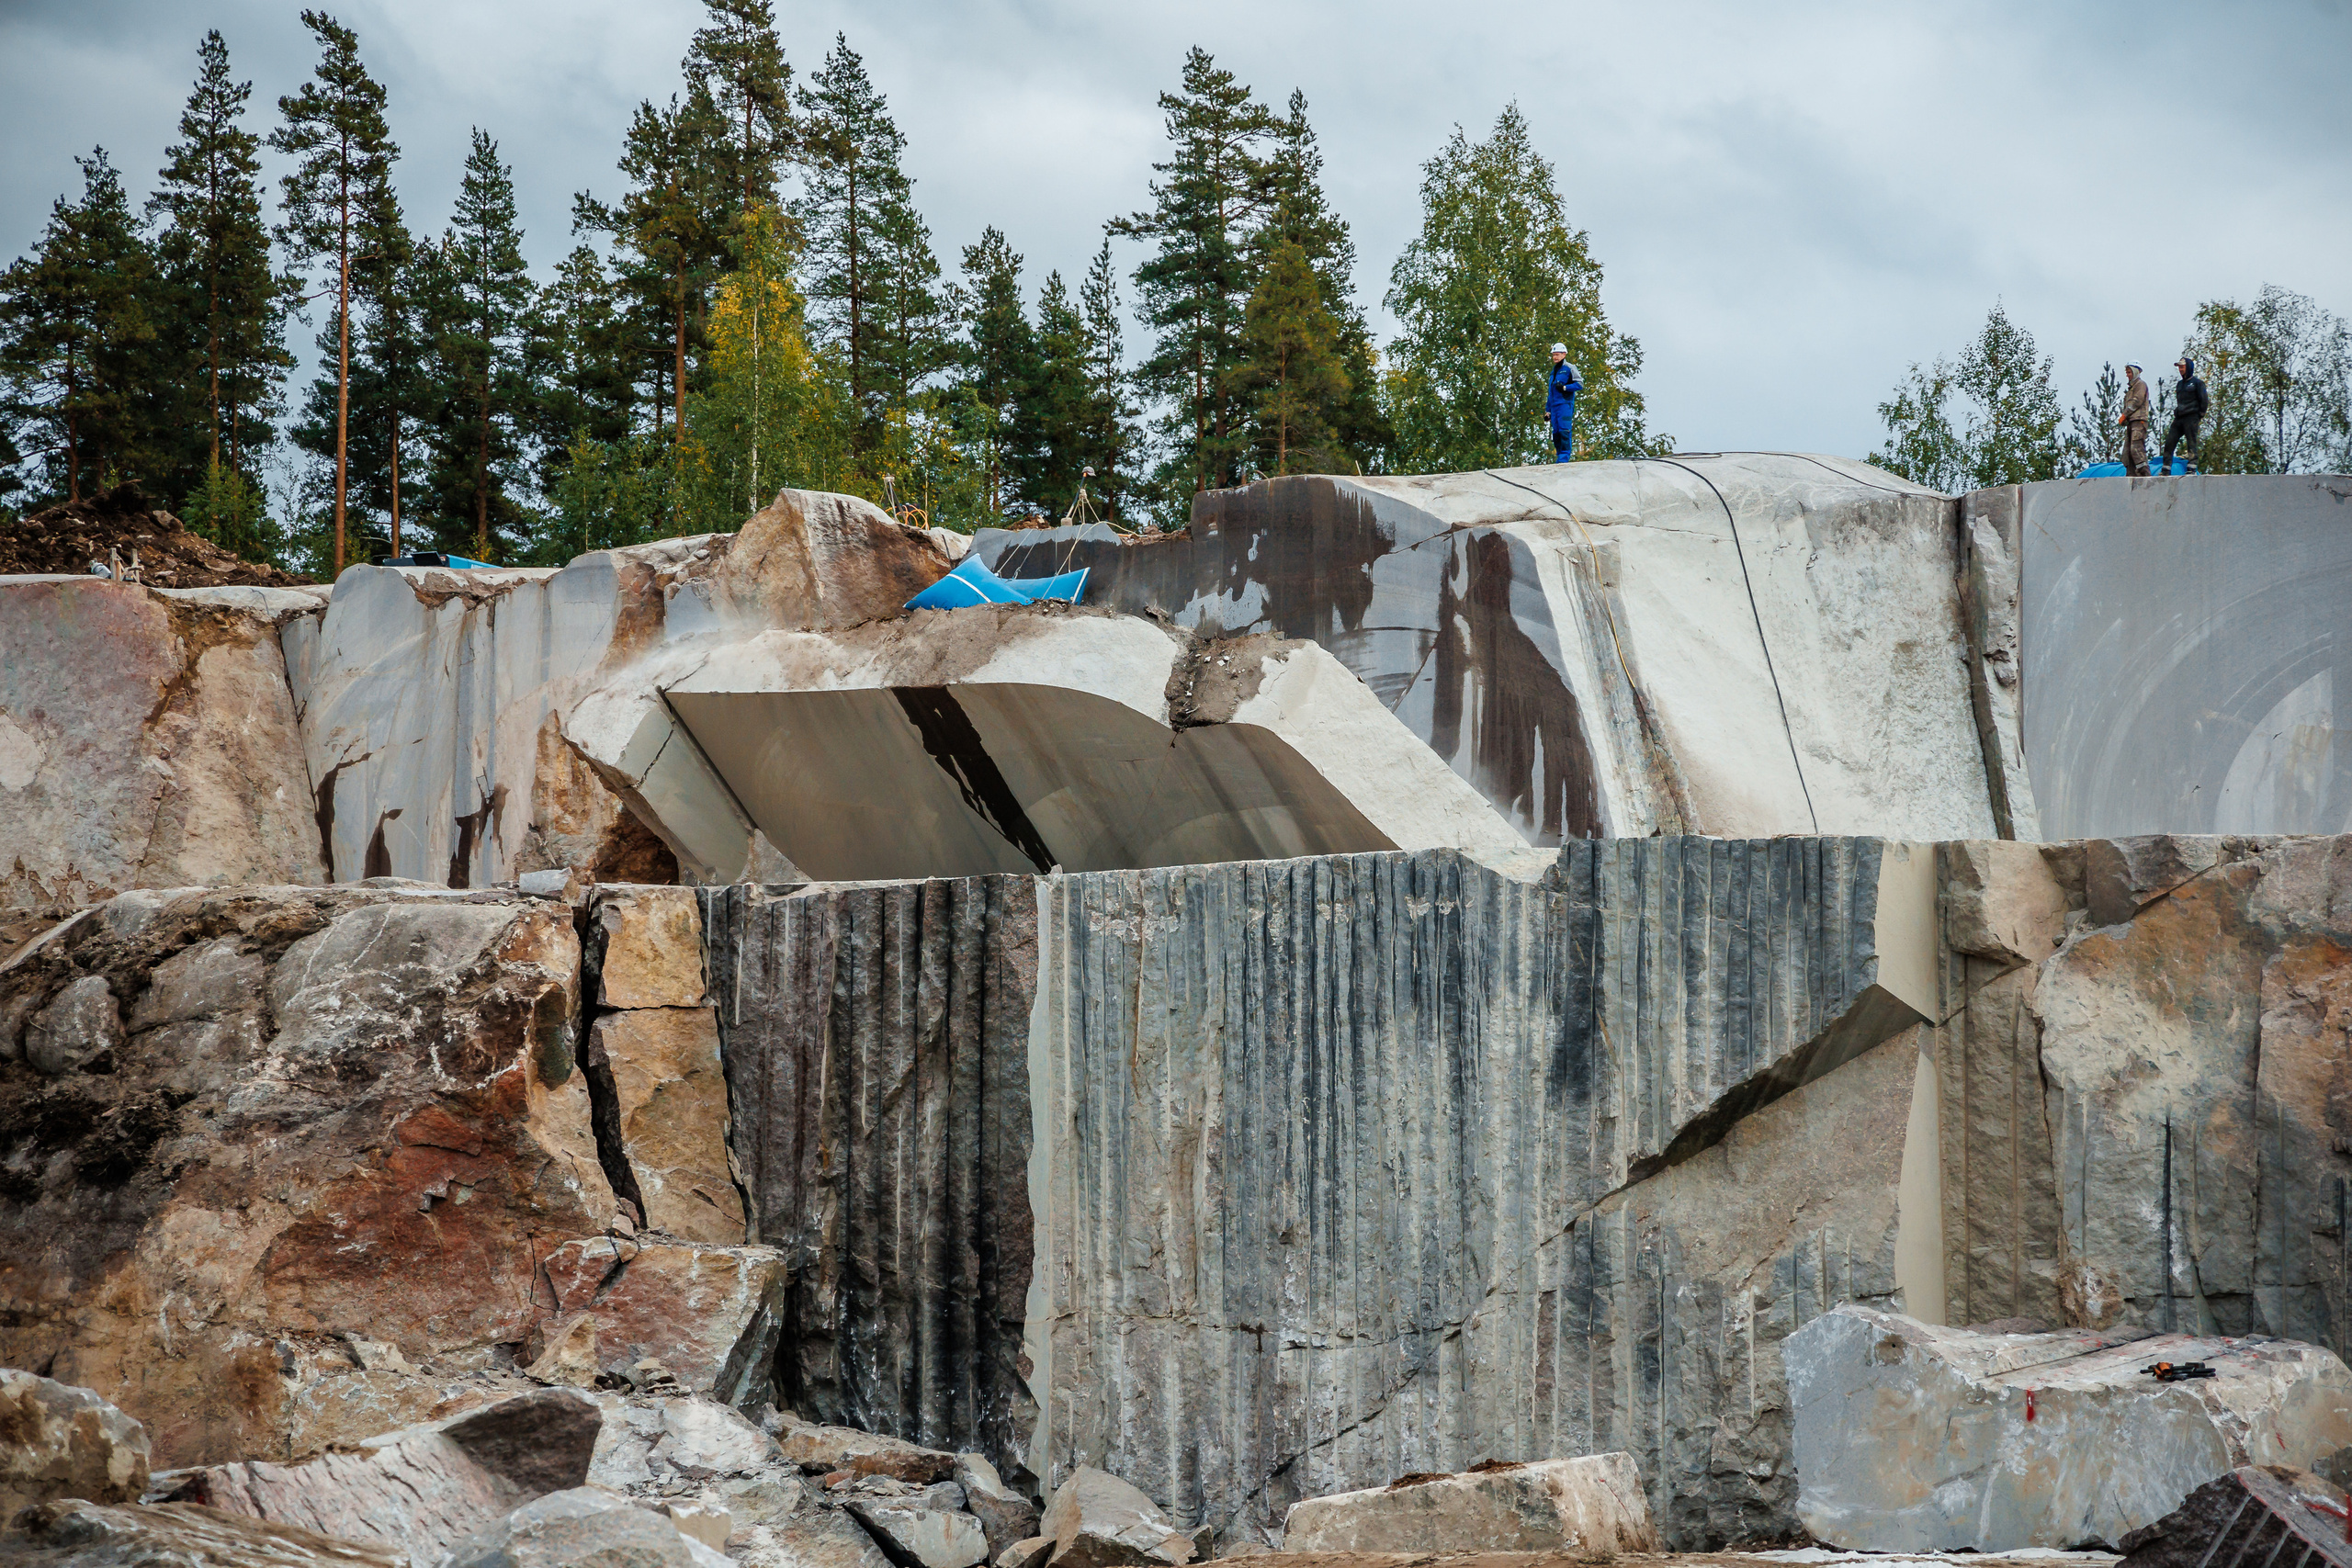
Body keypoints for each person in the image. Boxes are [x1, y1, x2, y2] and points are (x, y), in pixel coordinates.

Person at [2163, 355, 2207, 472]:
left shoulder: (2197, 383)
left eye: (2182, 367)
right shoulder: (2180, 384)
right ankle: (2166, 467)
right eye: (2179, 367)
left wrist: (2200, 414)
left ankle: (2192, 466)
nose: (2181, 370)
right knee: (2170, 441)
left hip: (2192, 416)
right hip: (2180, 417)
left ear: (2188, 368)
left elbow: (2204, 400)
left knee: (2191, 441)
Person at [1546, 344, 1582, 463]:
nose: (1555, 357)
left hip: (1564, 405)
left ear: (1564, 354)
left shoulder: (1569, 368)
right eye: (1553, 355)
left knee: (1564, 430)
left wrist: (1565, 387)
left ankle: (1564, 458)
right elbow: (1550, 393)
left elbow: (1579, 384)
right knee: (1555, 433)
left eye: (1557, 355)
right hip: (1554, 406)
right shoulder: (1553, 372)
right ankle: (1559, 456)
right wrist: (1548, 410)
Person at [2118, 361, 2151, 477]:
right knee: (2128, 452)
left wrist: (2125, 414)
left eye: (2129, 372)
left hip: (2139, 420)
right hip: (2131, 422)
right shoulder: (2131, 389)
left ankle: (2145, 474)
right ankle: (2131, 475)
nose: (2127, 375)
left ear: (2135, 372)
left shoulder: (2140, 385)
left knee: (2136, 448)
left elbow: (2136, 401)